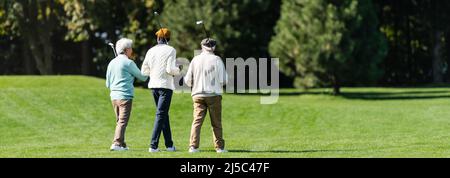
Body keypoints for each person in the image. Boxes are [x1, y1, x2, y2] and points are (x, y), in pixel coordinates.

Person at [141, 28, 183, 152]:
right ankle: (153, 146)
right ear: (168, 39)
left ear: (158, 38)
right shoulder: (171, 50)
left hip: (153, 85)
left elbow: (144, 71)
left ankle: (169, 145)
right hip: (165, 86)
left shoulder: (150, 50)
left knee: (163, 114)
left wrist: (154, 73)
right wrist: (179, 69)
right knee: (161, 114)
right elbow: (170, 70)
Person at [184, 38, 228, 153]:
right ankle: (219, 148)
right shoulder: (217, 59)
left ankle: (193, 147)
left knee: (197, 122)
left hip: (197, 94)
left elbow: (187, 80)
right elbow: (224, 80)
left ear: (202, 46)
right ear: (214, 47)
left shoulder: (195, 59)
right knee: (216, 123)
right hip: (213, 95)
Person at [106, 38, 148, 151]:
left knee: (119, 121)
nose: (132, 50)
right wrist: (149, 70)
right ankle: (116, 144)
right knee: (122, 121)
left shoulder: (111, 63)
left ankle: (122, 144)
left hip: (114, 97)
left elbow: (107, 83)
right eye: (131, 48)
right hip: (125, 96)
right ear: (127, 50)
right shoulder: (129, 62)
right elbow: (143, 77)